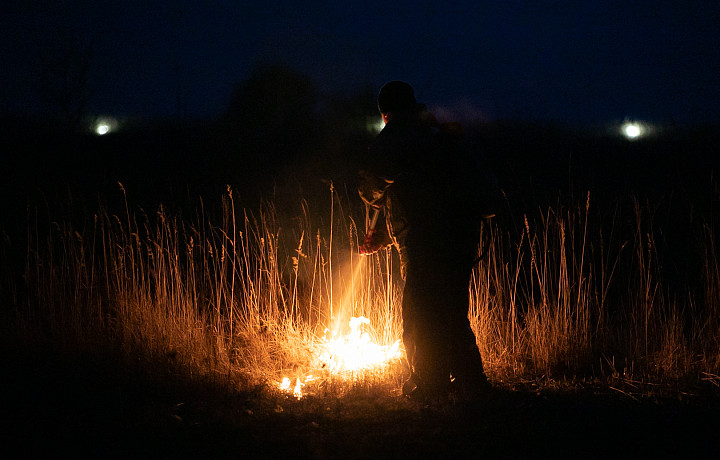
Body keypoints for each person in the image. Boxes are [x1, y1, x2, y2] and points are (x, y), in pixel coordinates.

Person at [358, 81, 495, 401]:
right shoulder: (437, 133)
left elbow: (372, 187)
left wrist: (380, 208)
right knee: (451, 308)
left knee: (421, 311)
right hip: (461, 236)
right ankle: (471, 382)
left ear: (386, 113)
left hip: (424, 238)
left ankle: (430, 385)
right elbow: (422, 186)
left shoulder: (397, 134)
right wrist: (383, 232)